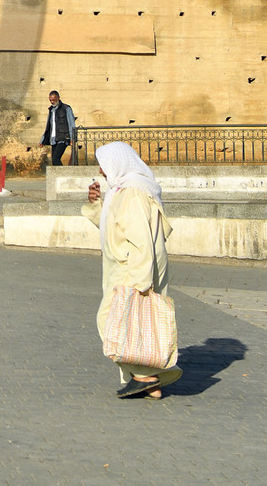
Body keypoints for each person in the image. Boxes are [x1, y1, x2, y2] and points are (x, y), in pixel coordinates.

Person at [84, 142, 182, 399]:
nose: (101, 170)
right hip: (129, 265)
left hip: (135, 267)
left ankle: (144, 376)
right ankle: (150, 383)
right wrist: (96, 204)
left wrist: (141, 282)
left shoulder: (133, 193)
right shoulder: (121, 191)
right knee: (137, 326)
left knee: (109, 319)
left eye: (104, 164)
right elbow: (113, 229)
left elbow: (140, 238)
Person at [40, 91, 77, 167]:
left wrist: (72, 138)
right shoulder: (51, 110)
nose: (52, 102)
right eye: (50, 100)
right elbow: (48, 126)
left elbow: (71, 124)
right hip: (54, 139)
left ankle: (63, 176)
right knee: (54, 161)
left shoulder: (66, 108)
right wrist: (42, 140)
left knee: (56, 159)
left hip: (63, 137)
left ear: (58, 98)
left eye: (54, 100)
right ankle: (60, 177)